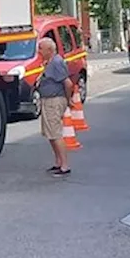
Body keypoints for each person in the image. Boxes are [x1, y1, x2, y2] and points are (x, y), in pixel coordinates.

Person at [35, 37, 74, 175]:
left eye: (40, 48)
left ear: (49, 50)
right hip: (48, 100)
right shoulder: (49, 62)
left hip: (54, 100)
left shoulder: (56, 62)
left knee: (55, 133)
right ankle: (58, 162)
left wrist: (67, 100)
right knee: (51, 133)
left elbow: (68, 83)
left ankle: (64, 165)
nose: (38, 51)